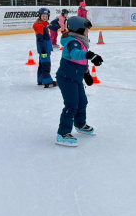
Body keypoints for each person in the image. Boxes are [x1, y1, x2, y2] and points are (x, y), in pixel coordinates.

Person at [56, 16, 104, 147]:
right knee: (72, 105)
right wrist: (90, 55)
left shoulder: (80, 42)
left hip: (76, 78)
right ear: (79, 30)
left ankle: (80, 124)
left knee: (82, 102)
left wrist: (86, 74)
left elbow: (82, 62)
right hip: (66, 78)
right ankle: (62, 134)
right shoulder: (73, 42)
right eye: (86, 30)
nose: (88, 32)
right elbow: (75, 54)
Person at [33, 8, 57, 88]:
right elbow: (40, 39)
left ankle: (40, 79)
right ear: (39, 16)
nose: (45, 17)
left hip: (44, 48)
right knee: (46, 64)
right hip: (44, 49)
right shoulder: (40, 26)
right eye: (43, 16)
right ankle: (47, 81)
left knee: (42, 64)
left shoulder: (44, 25)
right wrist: (43, 50)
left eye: (46, 16)